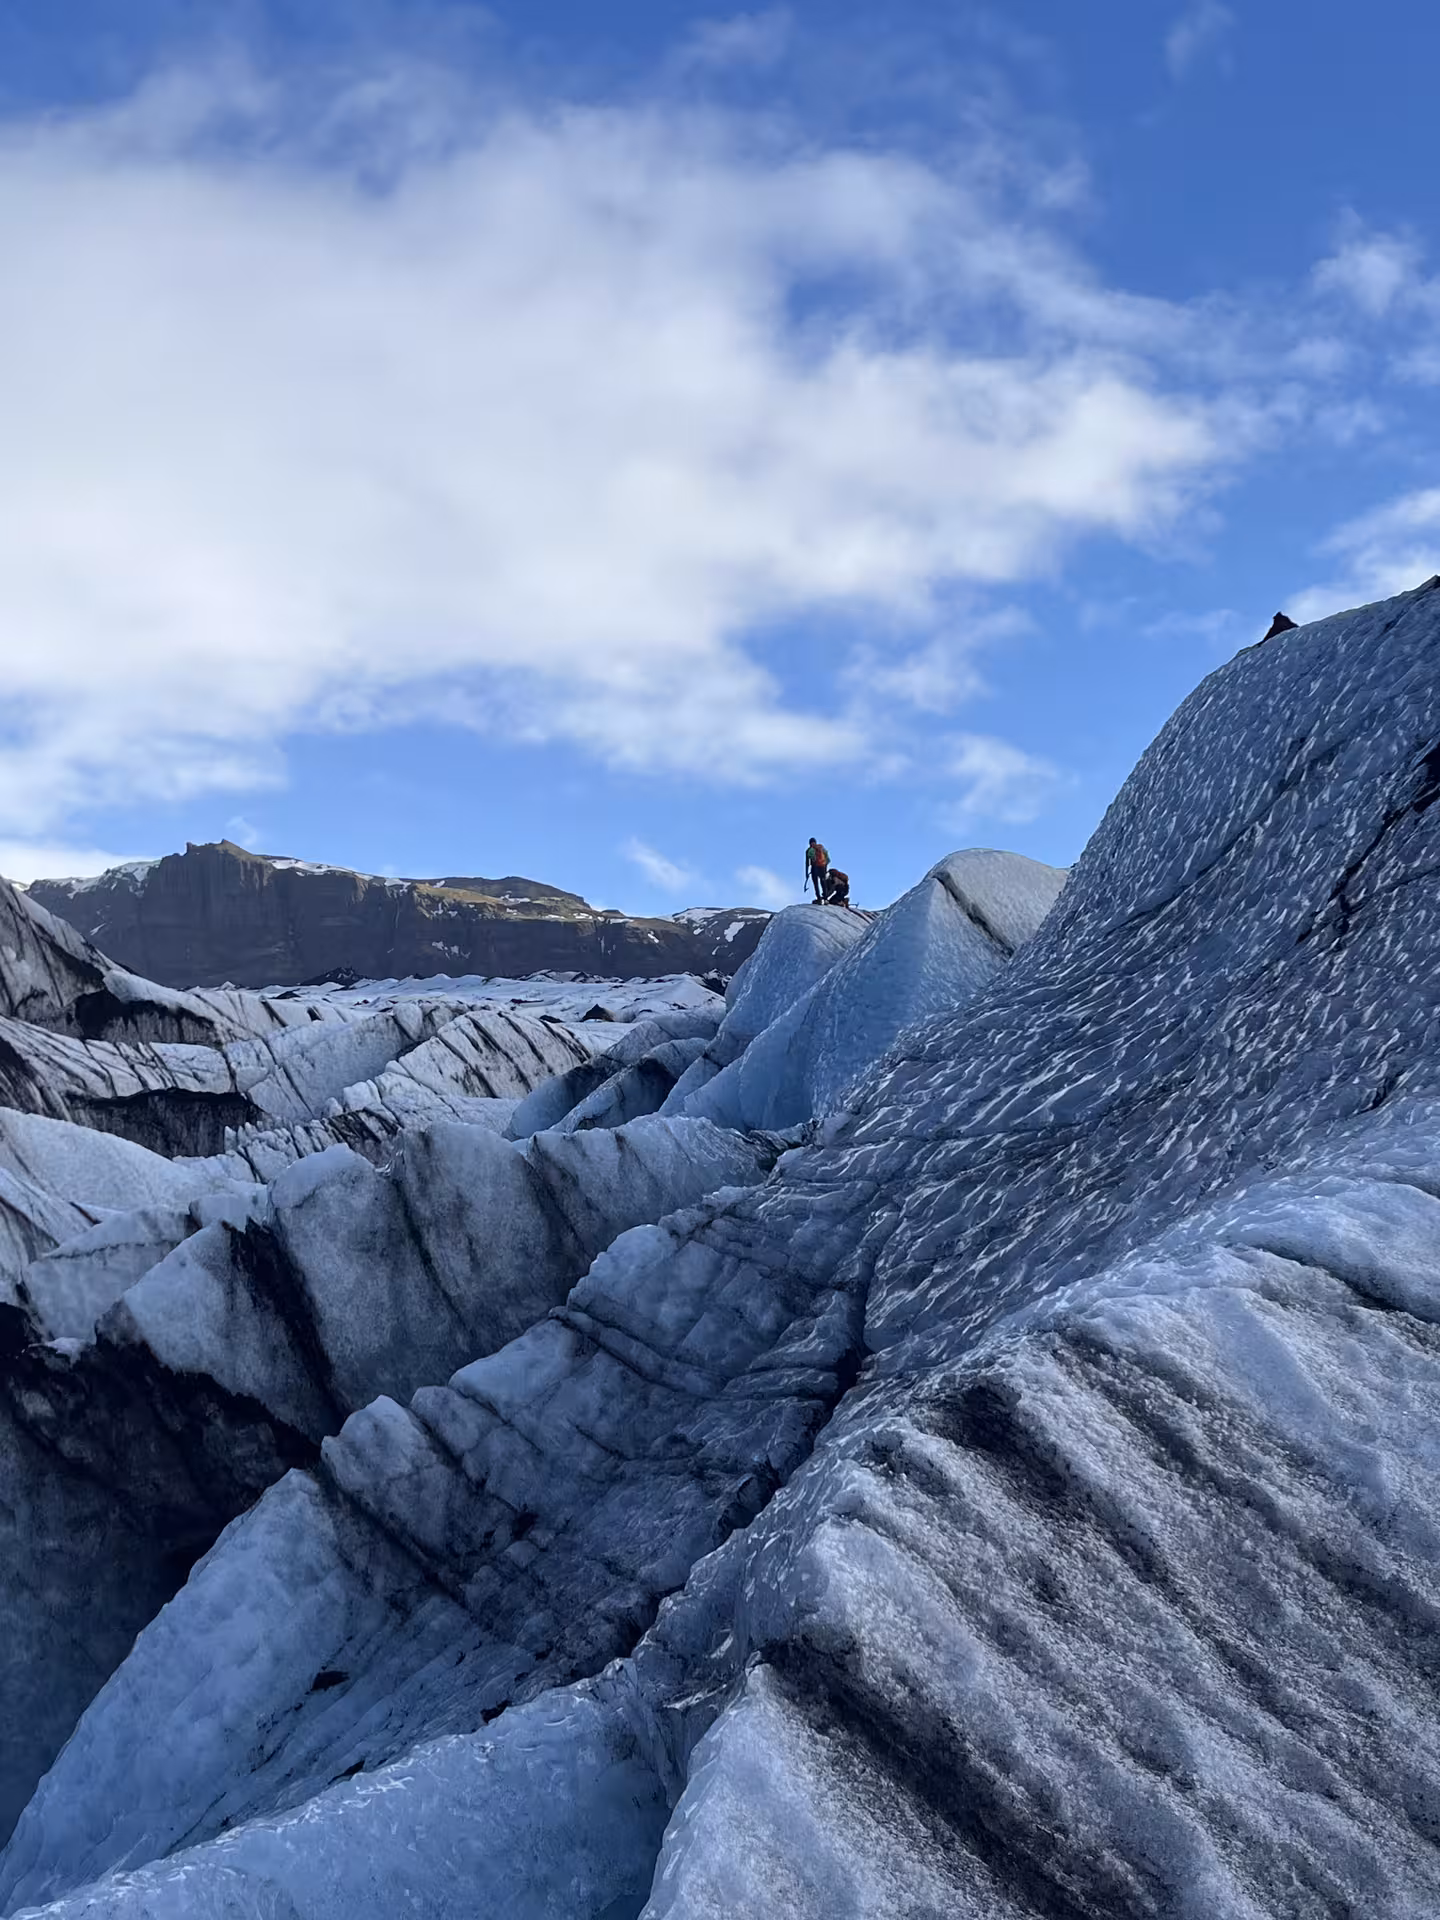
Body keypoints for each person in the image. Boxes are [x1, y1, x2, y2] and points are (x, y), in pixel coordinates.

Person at [805, 837, 830, 902]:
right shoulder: (822, 848)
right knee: (823, 882)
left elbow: (807, 863)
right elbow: (828, 860)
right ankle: (825, 898)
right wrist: (825, 868)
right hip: (822, 867)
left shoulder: (809, 850)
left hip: (814, 867)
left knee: (816, 883)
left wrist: (806, 873)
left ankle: (819, 898)